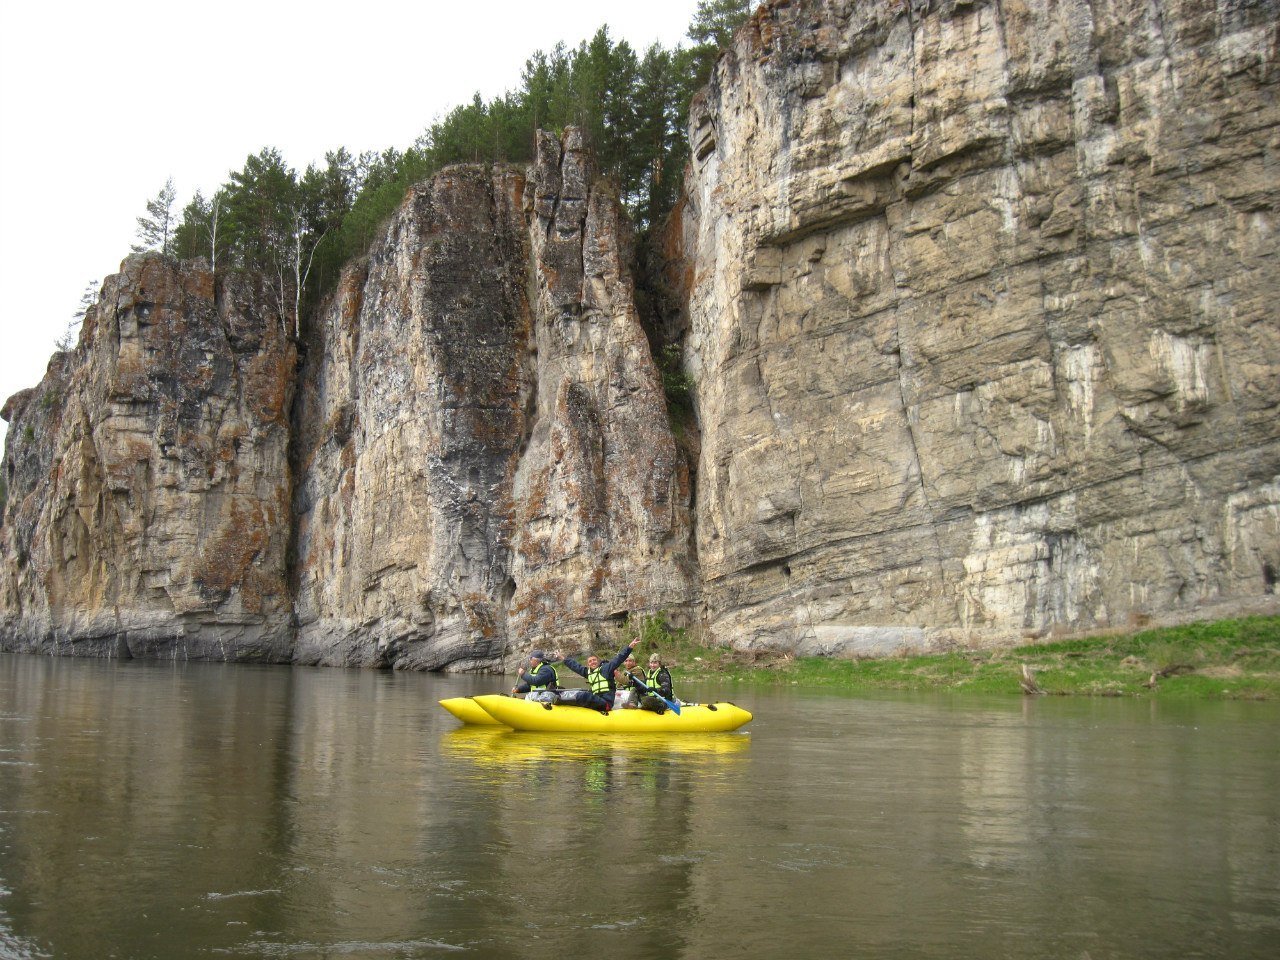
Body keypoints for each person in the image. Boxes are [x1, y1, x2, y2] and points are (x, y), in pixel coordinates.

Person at [561, 638, 641, 713]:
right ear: (588, 664)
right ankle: (563, 703)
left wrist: (629, 647)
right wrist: (564, 659)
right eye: (590, 661)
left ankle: (561, 701)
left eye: (594, 660)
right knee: (583, 695)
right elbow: (575, 666)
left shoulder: (606, 669)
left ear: (598, 661)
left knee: (585, 695)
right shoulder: (588, 673)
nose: (592, 662)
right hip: (595, 701)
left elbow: (618, 659)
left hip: (606, 704)